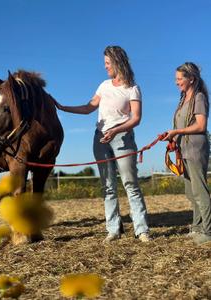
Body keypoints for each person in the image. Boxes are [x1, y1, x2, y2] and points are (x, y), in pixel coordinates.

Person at [53, 45, 150, 243]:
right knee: (107, 186)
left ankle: (142, 230)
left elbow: (136, 118)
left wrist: (116, 130)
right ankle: (113, 229)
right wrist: (64, 108)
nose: (105, 67)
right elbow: (89, 107)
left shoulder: (132, 88)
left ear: (117, 62)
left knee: (130, 184)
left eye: (107, 63)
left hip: (123, 139)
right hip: (100, 139)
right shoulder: (104, 86)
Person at [163, 62, 211, 245]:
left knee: (200, 191)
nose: (176, 82)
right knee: (191, 192)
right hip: (184, 149)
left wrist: (177, 132)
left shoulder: (199, 98)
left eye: (179, 78)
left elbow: (201, 125)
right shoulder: (183, 99)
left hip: (195, 149)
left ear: (191, 79)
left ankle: (208, 231)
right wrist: (172, 136)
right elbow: (182, 125)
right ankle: (197, 227)